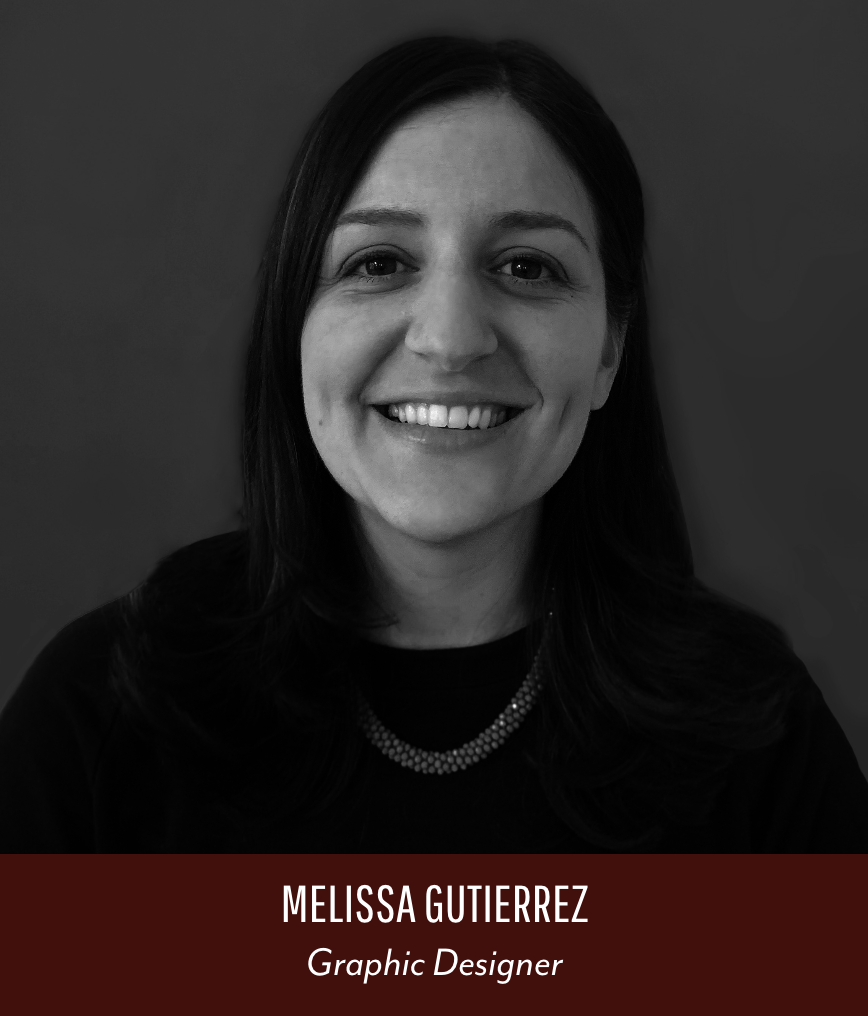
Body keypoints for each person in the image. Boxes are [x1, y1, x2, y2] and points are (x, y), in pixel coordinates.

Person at [1, 36, 867, 852]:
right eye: (378, 262)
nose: (450, 340)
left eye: (528, 266)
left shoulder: (760, 745)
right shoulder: (100, 719)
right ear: (294, 329)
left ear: (608, 349)